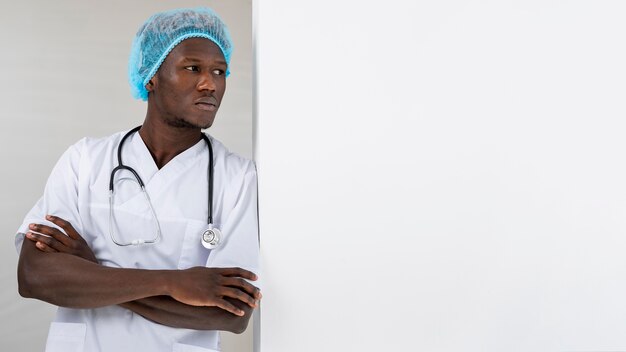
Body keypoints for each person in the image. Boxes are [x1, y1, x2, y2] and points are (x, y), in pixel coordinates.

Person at [15, 7, 261, 352]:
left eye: (220, 72)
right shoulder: (85, 160)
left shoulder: (238, 179)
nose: (210, 84)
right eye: (193, 68)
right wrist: (173, 283)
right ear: (151, 76)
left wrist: (92, 269)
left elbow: (231, 315)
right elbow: (35, 277)